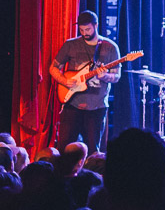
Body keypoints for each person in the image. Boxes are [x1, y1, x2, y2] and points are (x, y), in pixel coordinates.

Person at [49, 10, 120, 153]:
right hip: (71, 104)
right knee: (64, 148)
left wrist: (104, 76)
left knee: (93, 150)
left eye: (87, 29)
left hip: (96, 107)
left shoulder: (110, 47)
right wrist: (65, 81)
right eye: (81, 30)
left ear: (96, 25)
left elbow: (116, 76)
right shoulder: (71, 45)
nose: (84, 33)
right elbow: (53, 68)